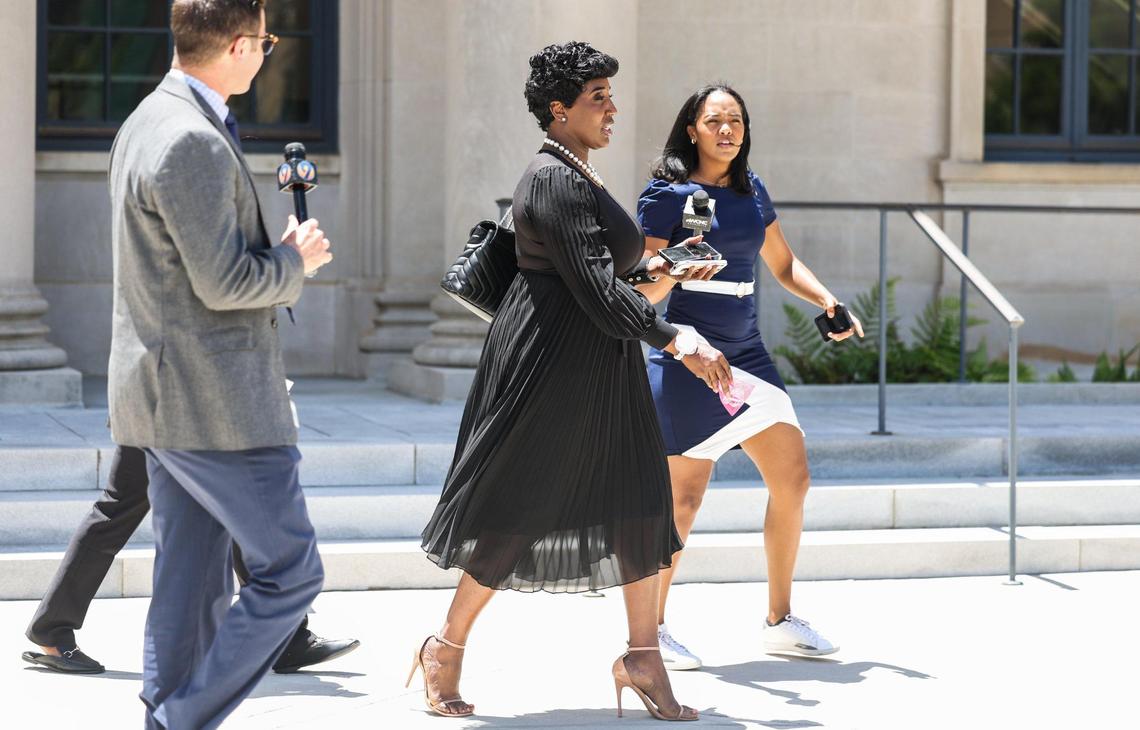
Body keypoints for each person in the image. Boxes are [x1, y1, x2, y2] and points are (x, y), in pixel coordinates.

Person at [411, 42, 730, 721]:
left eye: (611, 95)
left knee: (642, 503)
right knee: (515, 509)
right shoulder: (551, 179)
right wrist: (678, 338)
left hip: (602, 359)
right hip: (549, 365)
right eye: (598, 98)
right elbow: (590, 287)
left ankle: (643, 657)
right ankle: (444, 648)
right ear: (559, 110)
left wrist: (669, 265)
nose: (612, 108)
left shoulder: (580, 173)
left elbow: (609, 281)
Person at [103, 1, 332, 726]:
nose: (269, 51)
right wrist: (294, 263)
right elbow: (224, 282)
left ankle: (165, 717)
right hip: (216, 403)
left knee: (190, 579)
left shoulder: (148, 118)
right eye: (266, 41)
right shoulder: (188, 138)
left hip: (171, 396)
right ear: (238, 46)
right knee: (292, 572)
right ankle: (180, 718)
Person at [636, 85, 863, 670]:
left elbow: (782, 265)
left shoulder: (751, 189)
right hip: (690, 355)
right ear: (692, 129)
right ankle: (651, 631)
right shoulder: (667, 194)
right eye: (715, 121)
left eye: (735, 120)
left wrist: (828, 301)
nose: (727, 130)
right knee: (683, 500)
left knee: (793, 480)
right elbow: (645, 291)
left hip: (749, 357)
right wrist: (679, 260)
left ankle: (779, 621)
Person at [22, 445, 360, 675]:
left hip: (179, 402)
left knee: (239, 510)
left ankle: (286, 638)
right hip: (171, 401)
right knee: (120, 510)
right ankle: (51, 630)